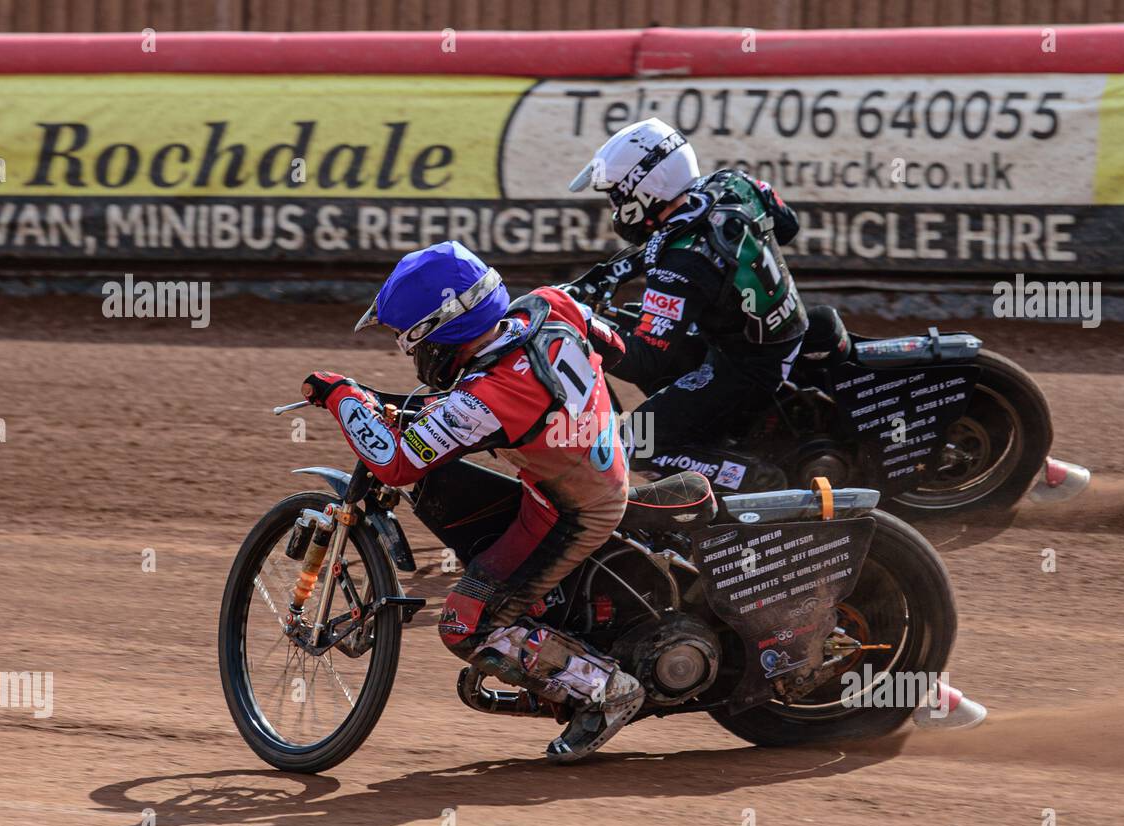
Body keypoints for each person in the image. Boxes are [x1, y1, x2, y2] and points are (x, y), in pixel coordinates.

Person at [301, 240, 643, 762]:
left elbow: (396, 464)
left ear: (438, 332)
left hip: (572, 510)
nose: (408, 352)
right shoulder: (549, 303)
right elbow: (614, 348)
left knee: (464, 623)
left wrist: (340, 394)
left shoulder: (489, 395)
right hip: (594, 460)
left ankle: (608, 692)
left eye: (405, 340)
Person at [569, 117, 850, 489]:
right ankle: (719, 442)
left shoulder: (679, 265)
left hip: (747, 364)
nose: (616, 208)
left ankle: (761, 485)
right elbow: (787, 226)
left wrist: (585, 324)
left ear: (647, 188)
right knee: (641, 323)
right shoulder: (733, 184)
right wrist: (605, 276)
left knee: (638, 441)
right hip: (778, 328)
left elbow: (645, 355)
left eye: (617, 196)